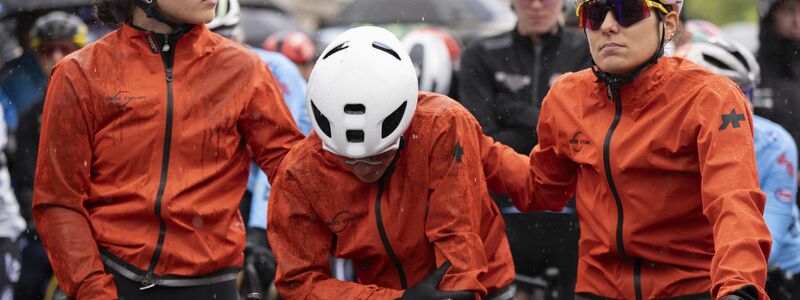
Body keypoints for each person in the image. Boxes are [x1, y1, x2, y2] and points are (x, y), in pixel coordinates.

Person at [31, 0, 304, 299]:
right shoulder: (79, 73)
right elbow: (58, 201)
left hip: (215, 285)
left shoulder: (245, 69)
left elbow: (297, 178)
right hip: (116, 283)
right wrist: (92, 289)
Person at [506, 0, 772, 299]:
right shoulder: (566, 97)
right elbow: (540, 188)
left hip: (691, 289)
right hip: (599, 290)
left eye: (627, 11)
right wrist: (469, 145)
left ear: (668, 24)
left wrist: (740, 286)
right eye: (593, 15)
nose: (607, 25)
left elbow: (734, 202)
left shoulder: (711, 97)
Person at [267, 26, 522, 299]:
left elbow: (457, 237)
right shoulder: (300, 172)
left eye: (378, 156)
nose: (364, 169)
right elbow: (299, 281)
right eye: (348, 162)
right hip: (386, 290)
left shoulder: (443, 127)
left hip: (484, 283)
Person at [458, 0, 591, 298]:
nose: (536, 5)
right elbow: (480, 140)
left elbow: (582, 138)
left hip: (573, 217)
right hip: (505, 213)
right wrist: (552, 121)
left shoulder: (586, 49)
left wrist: (510, 109)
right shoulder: (481, 53)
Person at [676, 37, 800, 299]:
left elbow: (764, 251)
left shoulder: (776, 145)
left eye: (748, 94)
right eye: (729, 94)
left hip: (782, 274)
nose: (745, 106)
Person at [205, 0, 313, 295]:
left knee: (261, 265)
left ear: (237, 35)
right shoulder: (201, 72)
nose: (214, 47)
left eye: (224, 37)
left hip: (286, 179)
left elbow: (280, 153)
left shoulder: (275, 69)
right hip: (245, 181)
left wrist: (257, 233)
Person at [10, 11, 91, 300]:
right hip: (45, 226)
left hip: (95, 224)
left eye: (67, 48)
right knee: (28, 281)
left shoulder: (102, 102)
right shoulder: (32, 115)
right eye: (48, 49)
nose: (57, 55)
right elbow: (25, 174)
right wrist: (39, 223)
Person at [755, 0, 800, 186]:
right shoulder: (751, 72)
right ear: (770, 14)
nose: (797, 20)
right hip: (761, 189)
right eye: (790, 11)